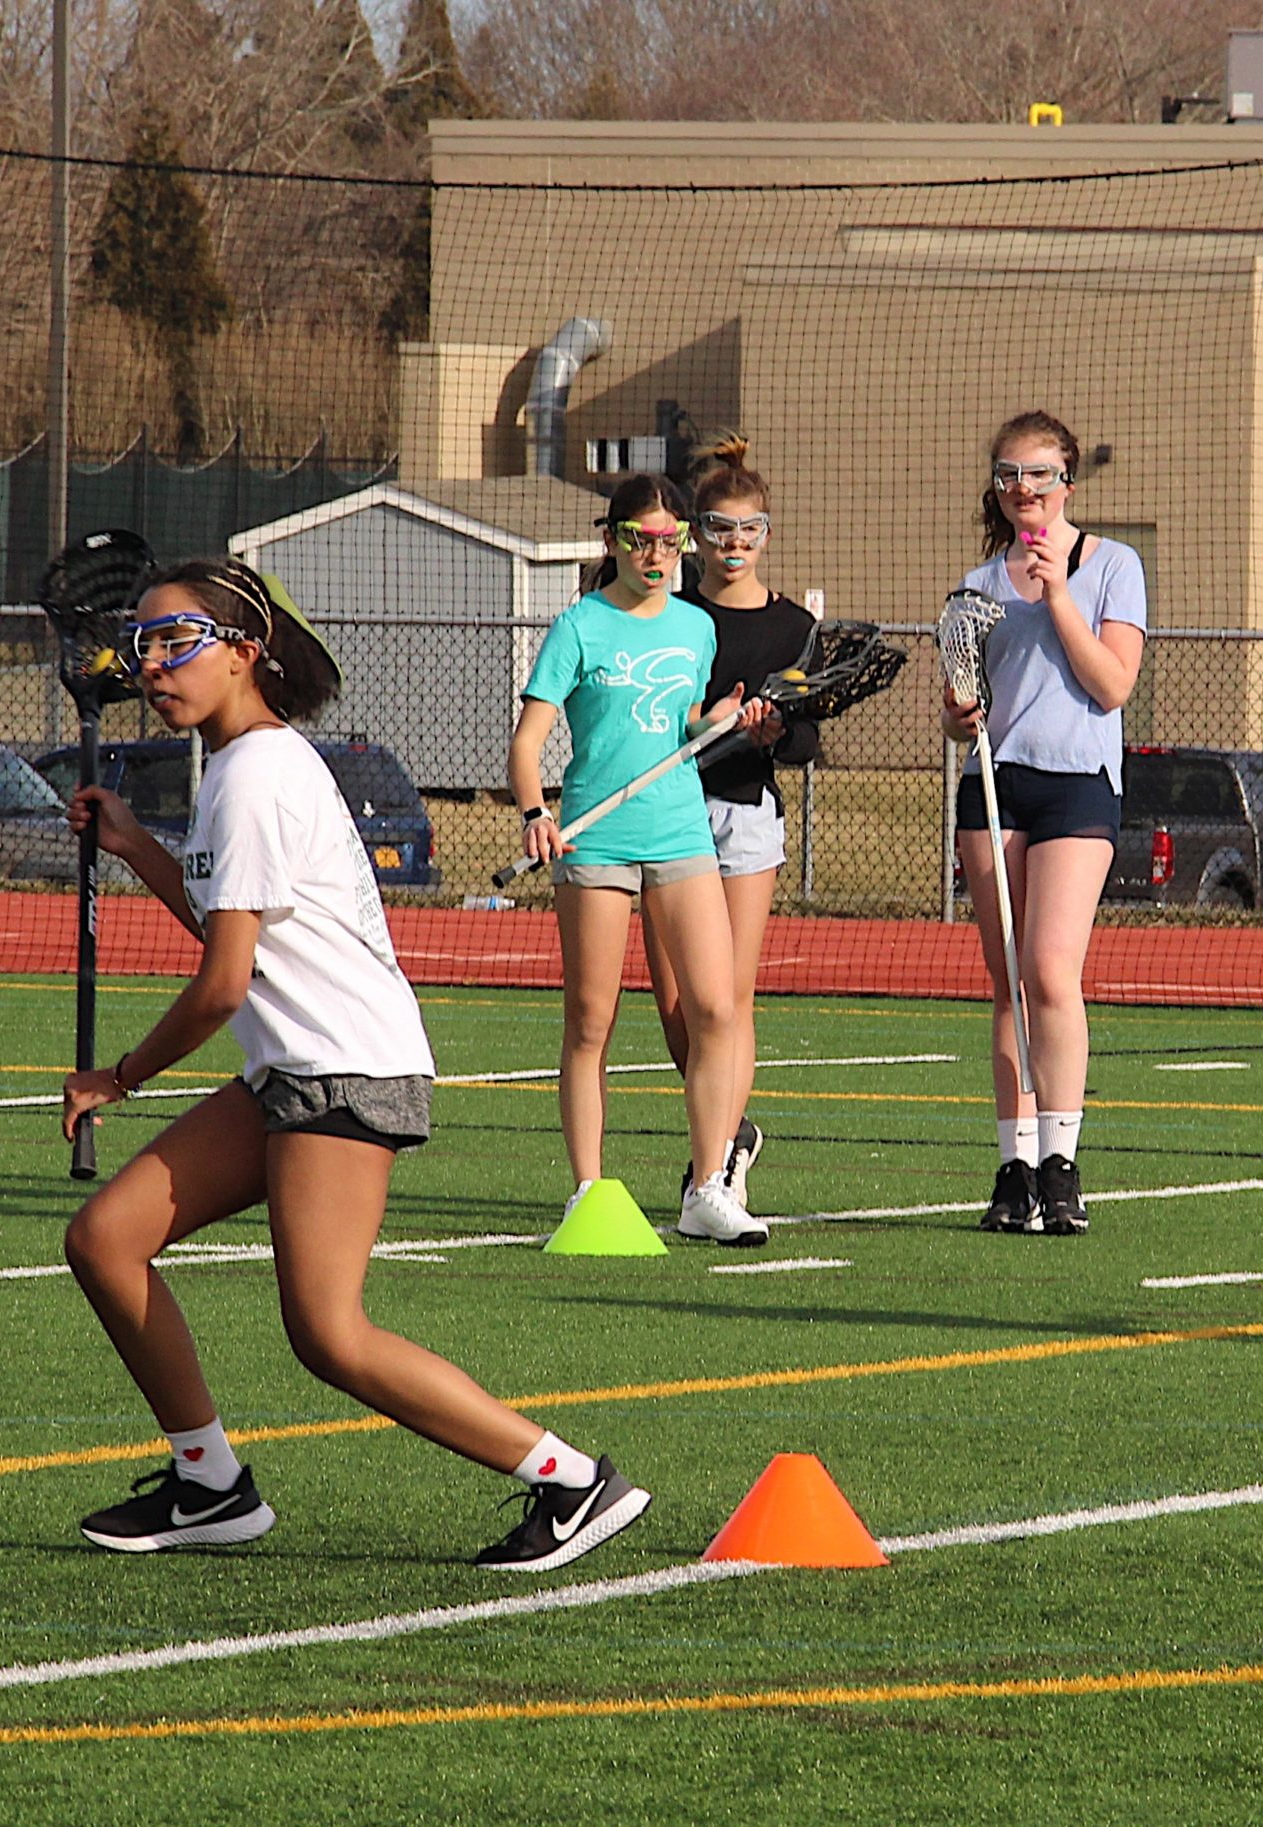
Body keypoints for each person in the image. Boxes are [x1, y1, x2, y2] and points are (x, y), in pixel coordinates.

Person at [59, 557, 650, 1571]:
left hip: (341, 1074)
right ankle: (209, 1485)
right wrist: (136, 849)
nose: (151, 666)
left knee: (328, 1333)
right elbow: (226, 930)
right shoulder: (240, 766)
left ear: (245, 653)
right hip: (293, 1070)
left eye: (176, 642)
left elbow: (220, 986)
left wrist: (120, 1076)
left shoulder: (253, 777)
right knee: (106, 1240)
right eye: (142, 645)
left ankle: (568, 1481)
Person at [509, 473, 772, 1246]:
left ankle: (708, 1186)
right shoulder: (580, 626)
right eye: (639, 540)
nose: (655, 555)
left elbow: (679, 721)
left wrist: (715, 720)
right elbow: (528, 742)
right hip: (595, 841)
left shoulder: (696, 629)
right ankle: (587, 1188)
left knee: (717, 1009)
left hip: (681, 832)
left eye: (669, 541)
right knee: (592, 1020)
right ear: (611, 541)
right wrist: (535, 812)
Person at [941, 410, 1147, 1236]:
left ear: (1067, 481)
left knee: (1051, 968)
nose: (1022, 489)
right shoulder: (979, 583)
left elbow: (1111, 684)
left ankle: (1062, 1164)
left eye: (1038, 474)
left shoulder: (1111, 566)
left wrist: (1057, 589)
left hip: (1077, 786)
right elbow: (964, 707)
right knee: (1008, 983)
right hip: (996, 786)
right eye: (1008, 475)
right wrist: (959, 716)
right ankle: (1014, 1164)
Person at [637, 435, 818, 1219]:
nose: (734, 544)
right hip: (668, 814)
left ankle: (710, 1173)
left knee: (727, 1002)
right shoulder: (671, 616)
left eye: (749, 530)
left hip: (745, 818)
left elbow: (810, 737)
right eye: (718, 529)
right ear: (695, 535)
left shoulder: (791, 627)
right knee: (676, 1005)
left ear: (767, 534)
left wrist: (775, 730)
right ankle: (732, 1130)